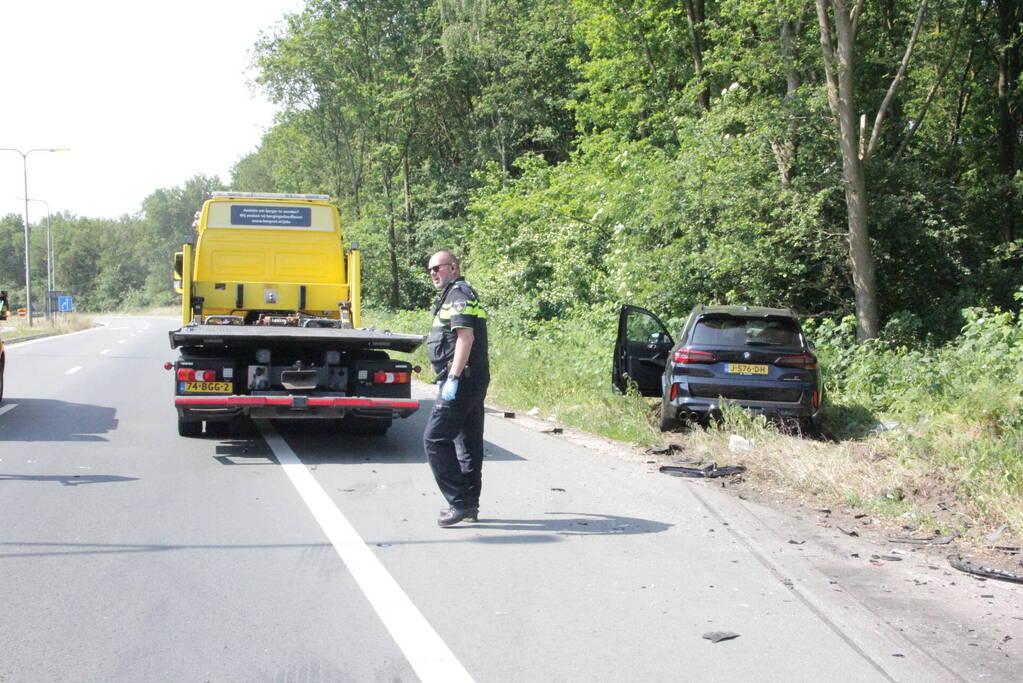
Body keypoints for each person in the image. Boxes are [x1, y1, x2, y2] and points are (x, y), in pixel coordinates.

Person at [423, 249, 490, 527]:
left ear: (453, 267)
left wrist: (452, 376)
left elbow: (465, 337)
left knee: (435, 439)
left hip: (462, 381)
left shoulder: (458, 295)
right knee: (468, 442)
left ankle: (459, 501)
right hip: (473, 380)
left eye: (437, 268)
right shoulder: (462, 293)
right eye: (430, 270)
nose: (433, 274)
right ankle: (469, 504)